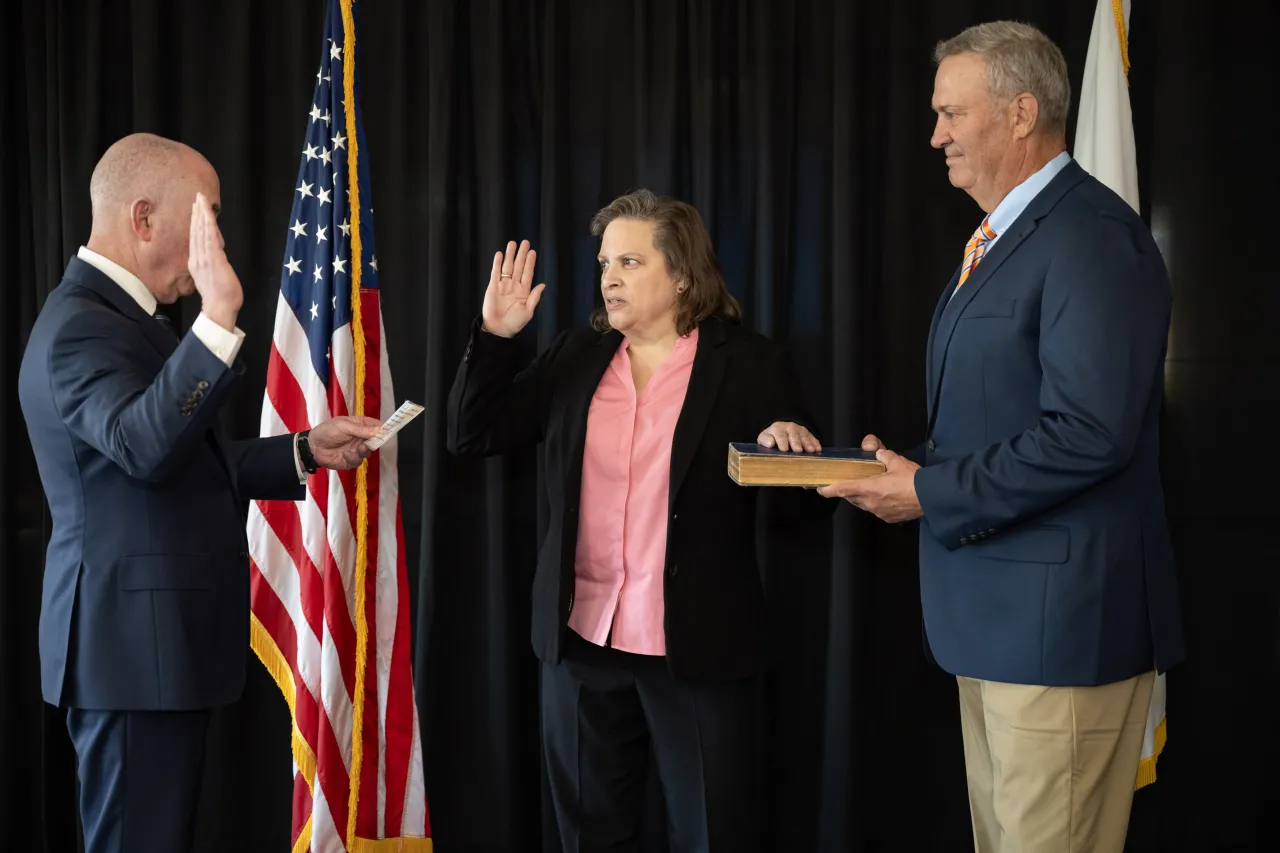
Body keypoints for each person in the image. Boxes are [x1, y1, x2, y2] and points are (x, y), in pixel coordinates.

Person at [817, 22, 1185, 853]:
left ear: (1021, 114)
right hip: (996, 621)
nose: (935, 133)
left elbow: (1091, 433)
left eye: (951, 113)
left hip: (1061, 630)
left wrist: (928, 491)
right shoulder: (1003, 238)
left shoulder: (1090, 235)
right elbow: (1004, 416)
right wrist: (911, 471)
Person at [17, 133, 381, 853]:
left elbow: (186, 459)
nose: (215, 240)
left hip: (157, 658)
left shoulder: (124, 322)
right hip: (129, 662)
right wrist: (217, 320)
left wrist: (305, 450)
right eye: (205, 218)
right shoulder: (77, 329)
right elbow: (144, 446)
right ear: (143, 218)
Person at [448, 189, 826, 852]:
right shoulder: (575, 358)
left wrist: (790, 440)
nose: (609, 277)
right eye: (603, 263)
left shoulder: (749, 364)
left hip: (699, 648)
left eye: (629, 260)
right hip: (581, 643)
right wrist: (496, 337)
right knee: (589, 836)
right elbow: (469, 435)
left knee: (714, 834)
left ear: (681, 273)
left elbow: (799, 497)